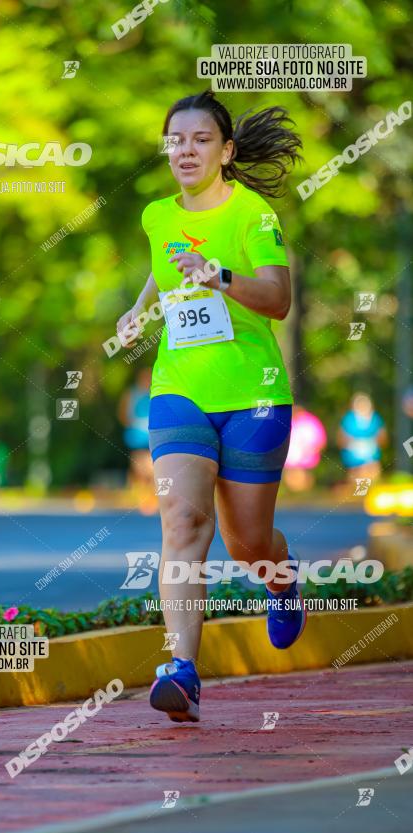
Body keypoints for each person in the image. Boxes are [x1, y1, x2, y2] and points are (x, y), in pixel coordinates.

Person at [116, 90, 303, 723]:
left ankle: (280, 577)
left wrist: (219, 276)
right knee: (183, 522)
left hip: (253, 394)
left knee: (246, 543)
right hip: (180, 389)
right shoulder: (155, 215)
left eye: (200, 140)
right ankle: (183, 671)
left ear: (225, 151)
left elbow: (277, 299)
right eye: (175, 140)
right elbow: (166, 264)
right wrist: (142, 307)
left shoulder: (255, 215)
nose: (185, 150)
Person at [118, 367, 154, 498]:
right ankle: (137, 492)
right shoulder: (132, 393)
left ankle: (147, 493)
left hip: (152, 436)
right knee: (139, 465)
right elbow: (123, 414)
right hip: (137, 436)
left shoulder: (155, 393)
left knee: (151, 465)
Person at [337, 393, 387, 482]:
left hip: (372, 457)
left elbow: (382, 438)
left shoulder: (375, 418)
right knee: (357, 481)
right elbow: (341, 439)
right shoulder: (348, 419)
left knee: (372, 477)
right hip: (353, 458)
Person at [283, 405, 327, 492]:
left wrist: (311, 451)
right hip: (291, 462)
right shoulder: (287, 421)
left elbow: (321, 442)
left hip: (306, 461)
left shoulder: (311, 422)